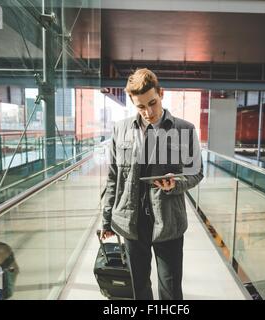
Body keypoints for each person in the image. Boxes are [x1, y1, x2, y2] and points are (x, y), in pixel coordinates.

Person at [100, 68, 204, 300]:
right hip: (131, 222)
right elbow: (113, 178)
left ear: (161, 94)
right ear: (133, 104)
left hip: (168, 222)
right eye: (141, 106)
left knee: (171, 290)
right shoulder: (121, 129)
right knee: (140, 287)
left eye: (152, 103)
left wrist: (174, 184)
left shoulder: (184, 130)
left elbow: (196, 173)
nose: (148, 112)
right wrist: (106, 220)